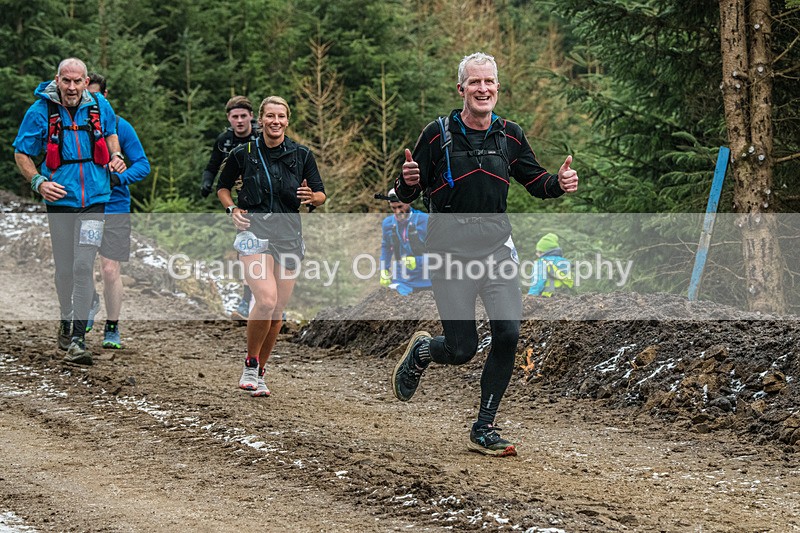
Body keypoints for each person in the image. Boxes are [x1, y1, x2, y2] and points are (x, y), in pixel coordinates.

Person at [390, 52, 579, 456]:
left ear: (497, 87)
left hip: (496, 249)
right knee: (462, 349)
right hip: (449, 252)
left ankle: (485, 426)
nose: (483, 89)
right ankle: (424, 350)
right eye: (474, 82)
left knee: (509, 333)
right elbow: (407, 190)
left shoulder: (510, 134)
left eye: (489, 82)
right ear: (461, 89)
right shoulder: (437, 133)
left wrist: (560, 183)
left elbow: (536, 181)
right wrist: (407, 184)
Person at [13, 57, 127, 365]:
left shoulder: (99, 106)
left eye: (79, 81)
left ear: (86, 80)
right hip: (60, 199)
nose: (73, 87)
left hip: (95, 198)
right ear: (58, 79)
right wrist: (38, 182)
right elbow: (21, 152)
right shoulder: (40, 111)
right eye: (67, 81)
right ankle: (66, 317)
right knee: (64, 269)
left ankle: (78, 338)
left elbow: (112, 132)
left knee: (81, 265)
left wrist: (116, 155)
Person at [217, 96, 326, 397]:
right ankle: (250, 363)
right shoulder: (244, 153)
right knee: (265, 300)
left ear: (287, 120)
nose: (275, 121)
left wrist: (312, 197)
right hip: (254, 235)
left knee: (277, 311)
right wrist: (232, 210)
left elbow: (320, 194)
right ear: (260, 120)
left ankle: (261, 371)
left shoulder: (302, 154)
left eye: (280, 116)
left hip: (289, 237)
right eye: (269, 116)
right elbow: (222, 187)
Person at [83, 73, 151, 349]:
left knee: (110, 270)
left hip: (115, 206)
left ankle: (112, 325)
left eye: (95, 95)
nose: (88, 100)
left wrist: (117, 177)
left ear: (105, 96)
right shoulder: (70, 126)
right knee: (82, 265)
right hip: (84, 206)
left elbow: (143, 165)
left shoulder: (121, 128)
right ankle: (89, 301)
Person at [200, 96, 261, 321]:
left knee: (272, 253)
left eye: (243, 116)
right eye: (235, 117)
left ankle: (272, 305)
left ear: (251, 117)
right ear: (229, 118)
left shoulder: (261, 137)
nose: (240, 121)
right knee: (246, 250)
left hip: (268, 201)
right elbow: (212, 165)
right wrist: (207, 183)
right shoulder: (224, 140)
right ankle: (246, 302)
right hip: (241, 201)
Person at [379, 188, 431, 295]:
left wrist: (418, 261)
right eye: (393, 208)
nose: (397, 212)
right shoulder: (387, 224)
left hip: (429, 279)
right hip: (403, 280)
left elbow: (441, 252)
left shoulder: (425, 220)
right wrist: (383, 269)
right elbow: (386, 247)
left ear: (409, 202)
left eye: (400, 207)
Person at [527, 233, 574, 297]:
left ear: (544, 252)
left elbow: (537, 281)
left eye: (538, 251)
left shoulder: (541, 263)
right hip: (565, 298)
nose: (536, 254)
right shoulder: (565, 262)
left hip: (547, 299)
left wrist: (531, 295)